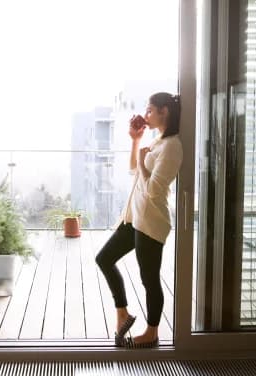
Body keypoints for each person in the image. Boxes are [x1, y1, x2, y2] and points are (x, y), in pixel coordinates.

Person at [95, 92, 183, 349]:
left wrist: (145, 163)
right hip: (133, 217)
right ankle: (122, 313)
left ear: (164, 111)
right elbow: (135, 168)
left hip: (151, 222)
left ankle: (152, 332)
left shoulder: (172, 146)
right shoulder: (158, 141)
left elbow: (155, 189)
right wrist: (136, 141)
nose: (146, 115)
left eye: (149, 111)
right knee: (104, 258)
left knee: (149, 279)